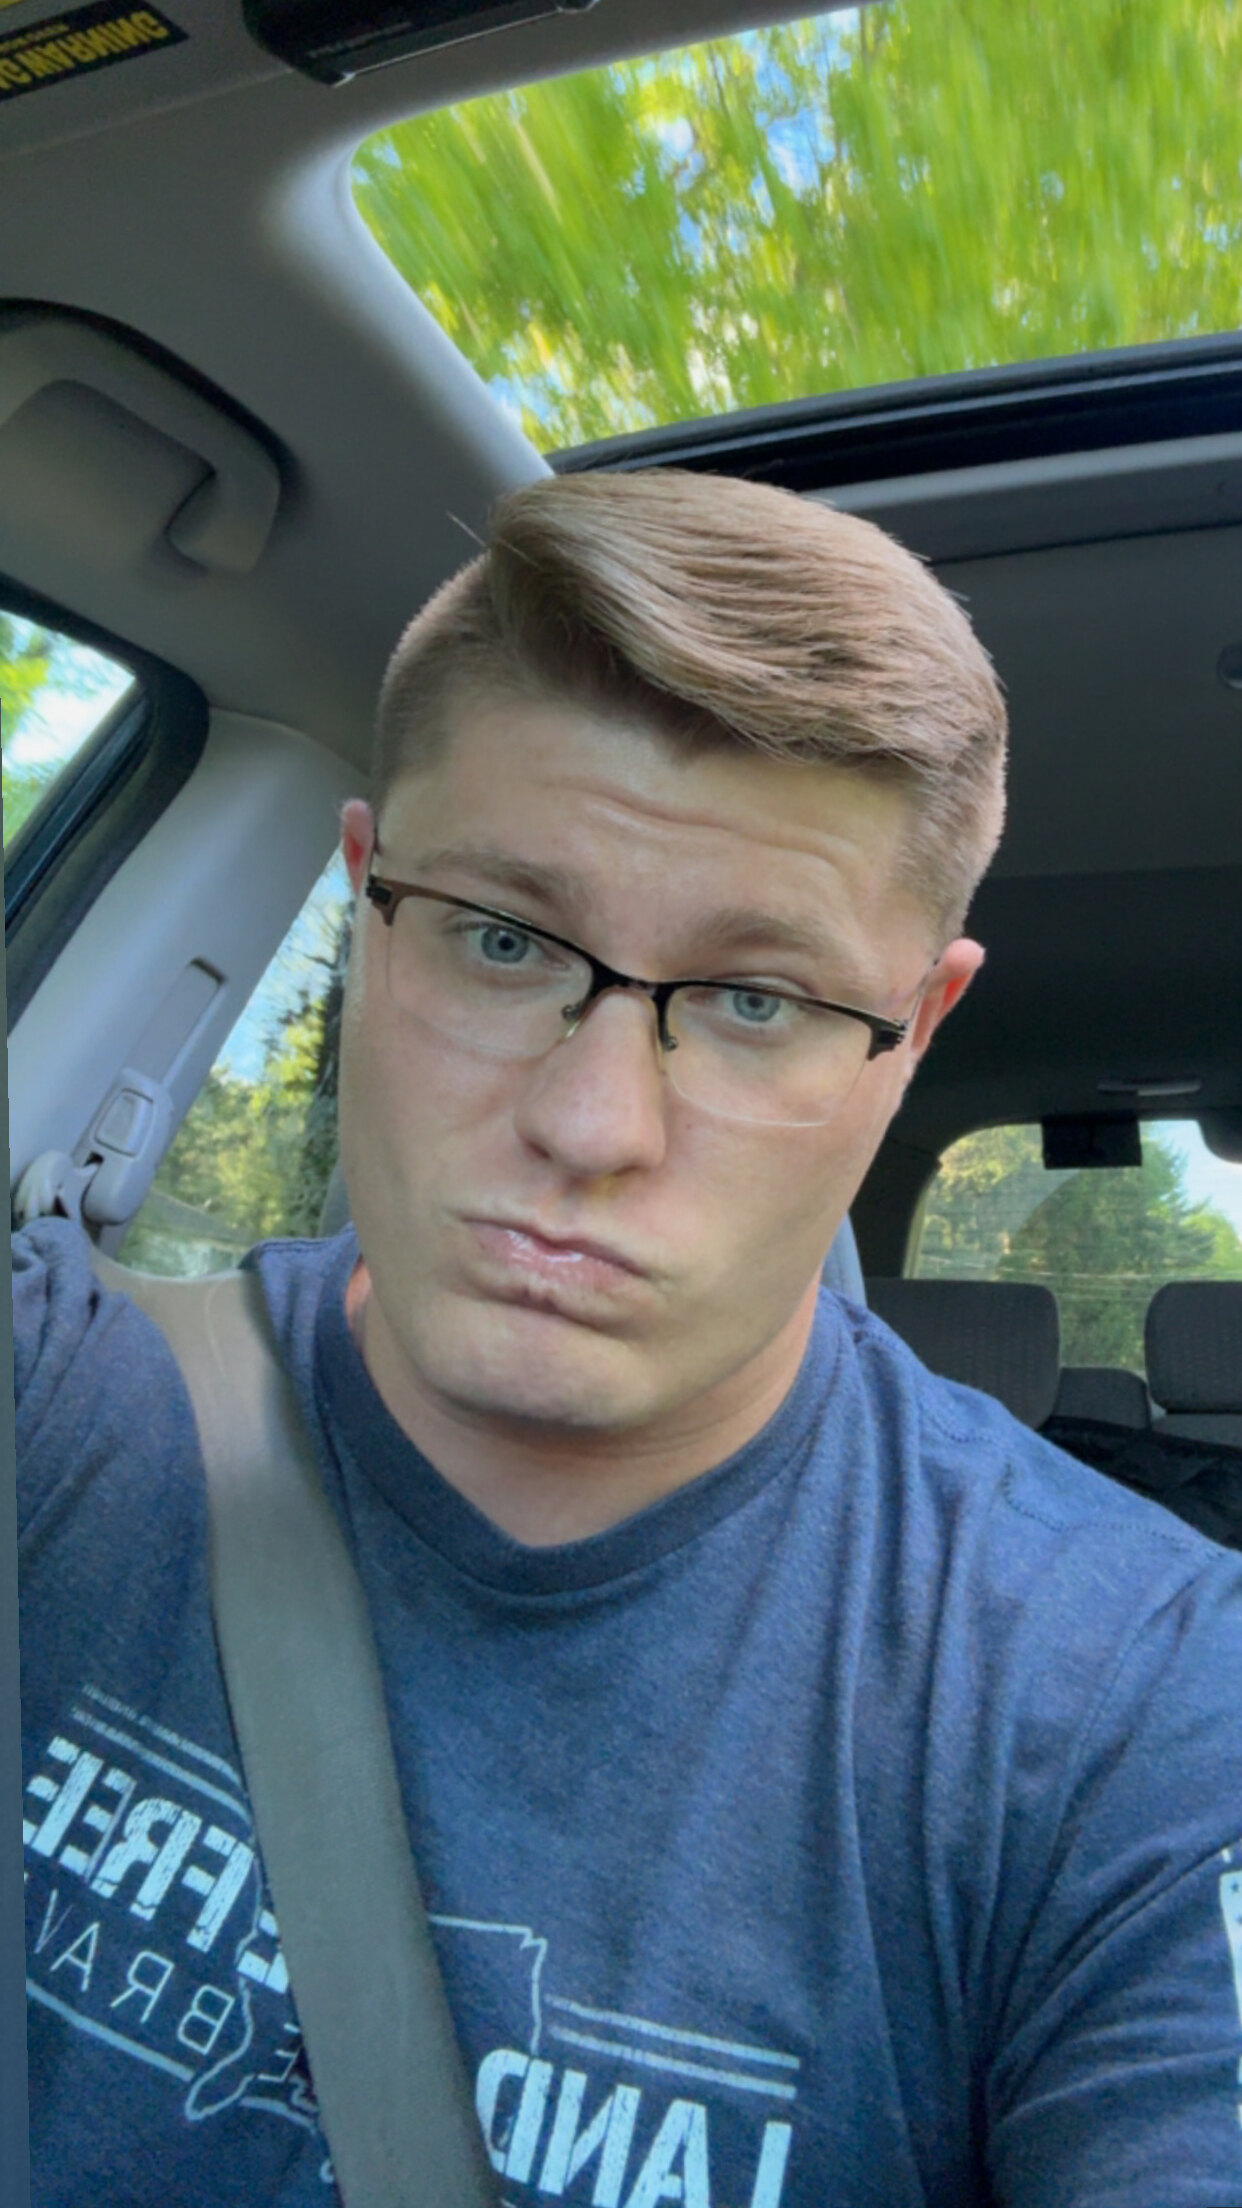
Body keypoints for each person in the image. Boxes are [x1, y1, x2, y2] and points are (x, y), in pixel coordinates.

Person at [14, 469, 1242, 2208]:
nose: (591, 1126)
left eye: (756, 1000)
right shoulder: (61, 1399)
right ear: (363, 900)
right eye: (502, 940)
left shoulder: (1137, 1709)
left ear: (912, 1032)